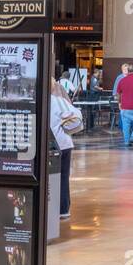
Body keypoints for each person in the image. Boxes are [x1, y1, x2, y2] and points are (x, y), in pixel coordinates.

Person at [48, 79, 81, 220]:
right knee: (62, 177)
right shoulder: (57, 101)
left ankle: (47, 208)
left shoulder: (32, 102)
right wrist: (65, 128)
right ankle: (63, 209)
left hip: (43, 145)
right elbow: (77, 116)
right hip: (62, 144)